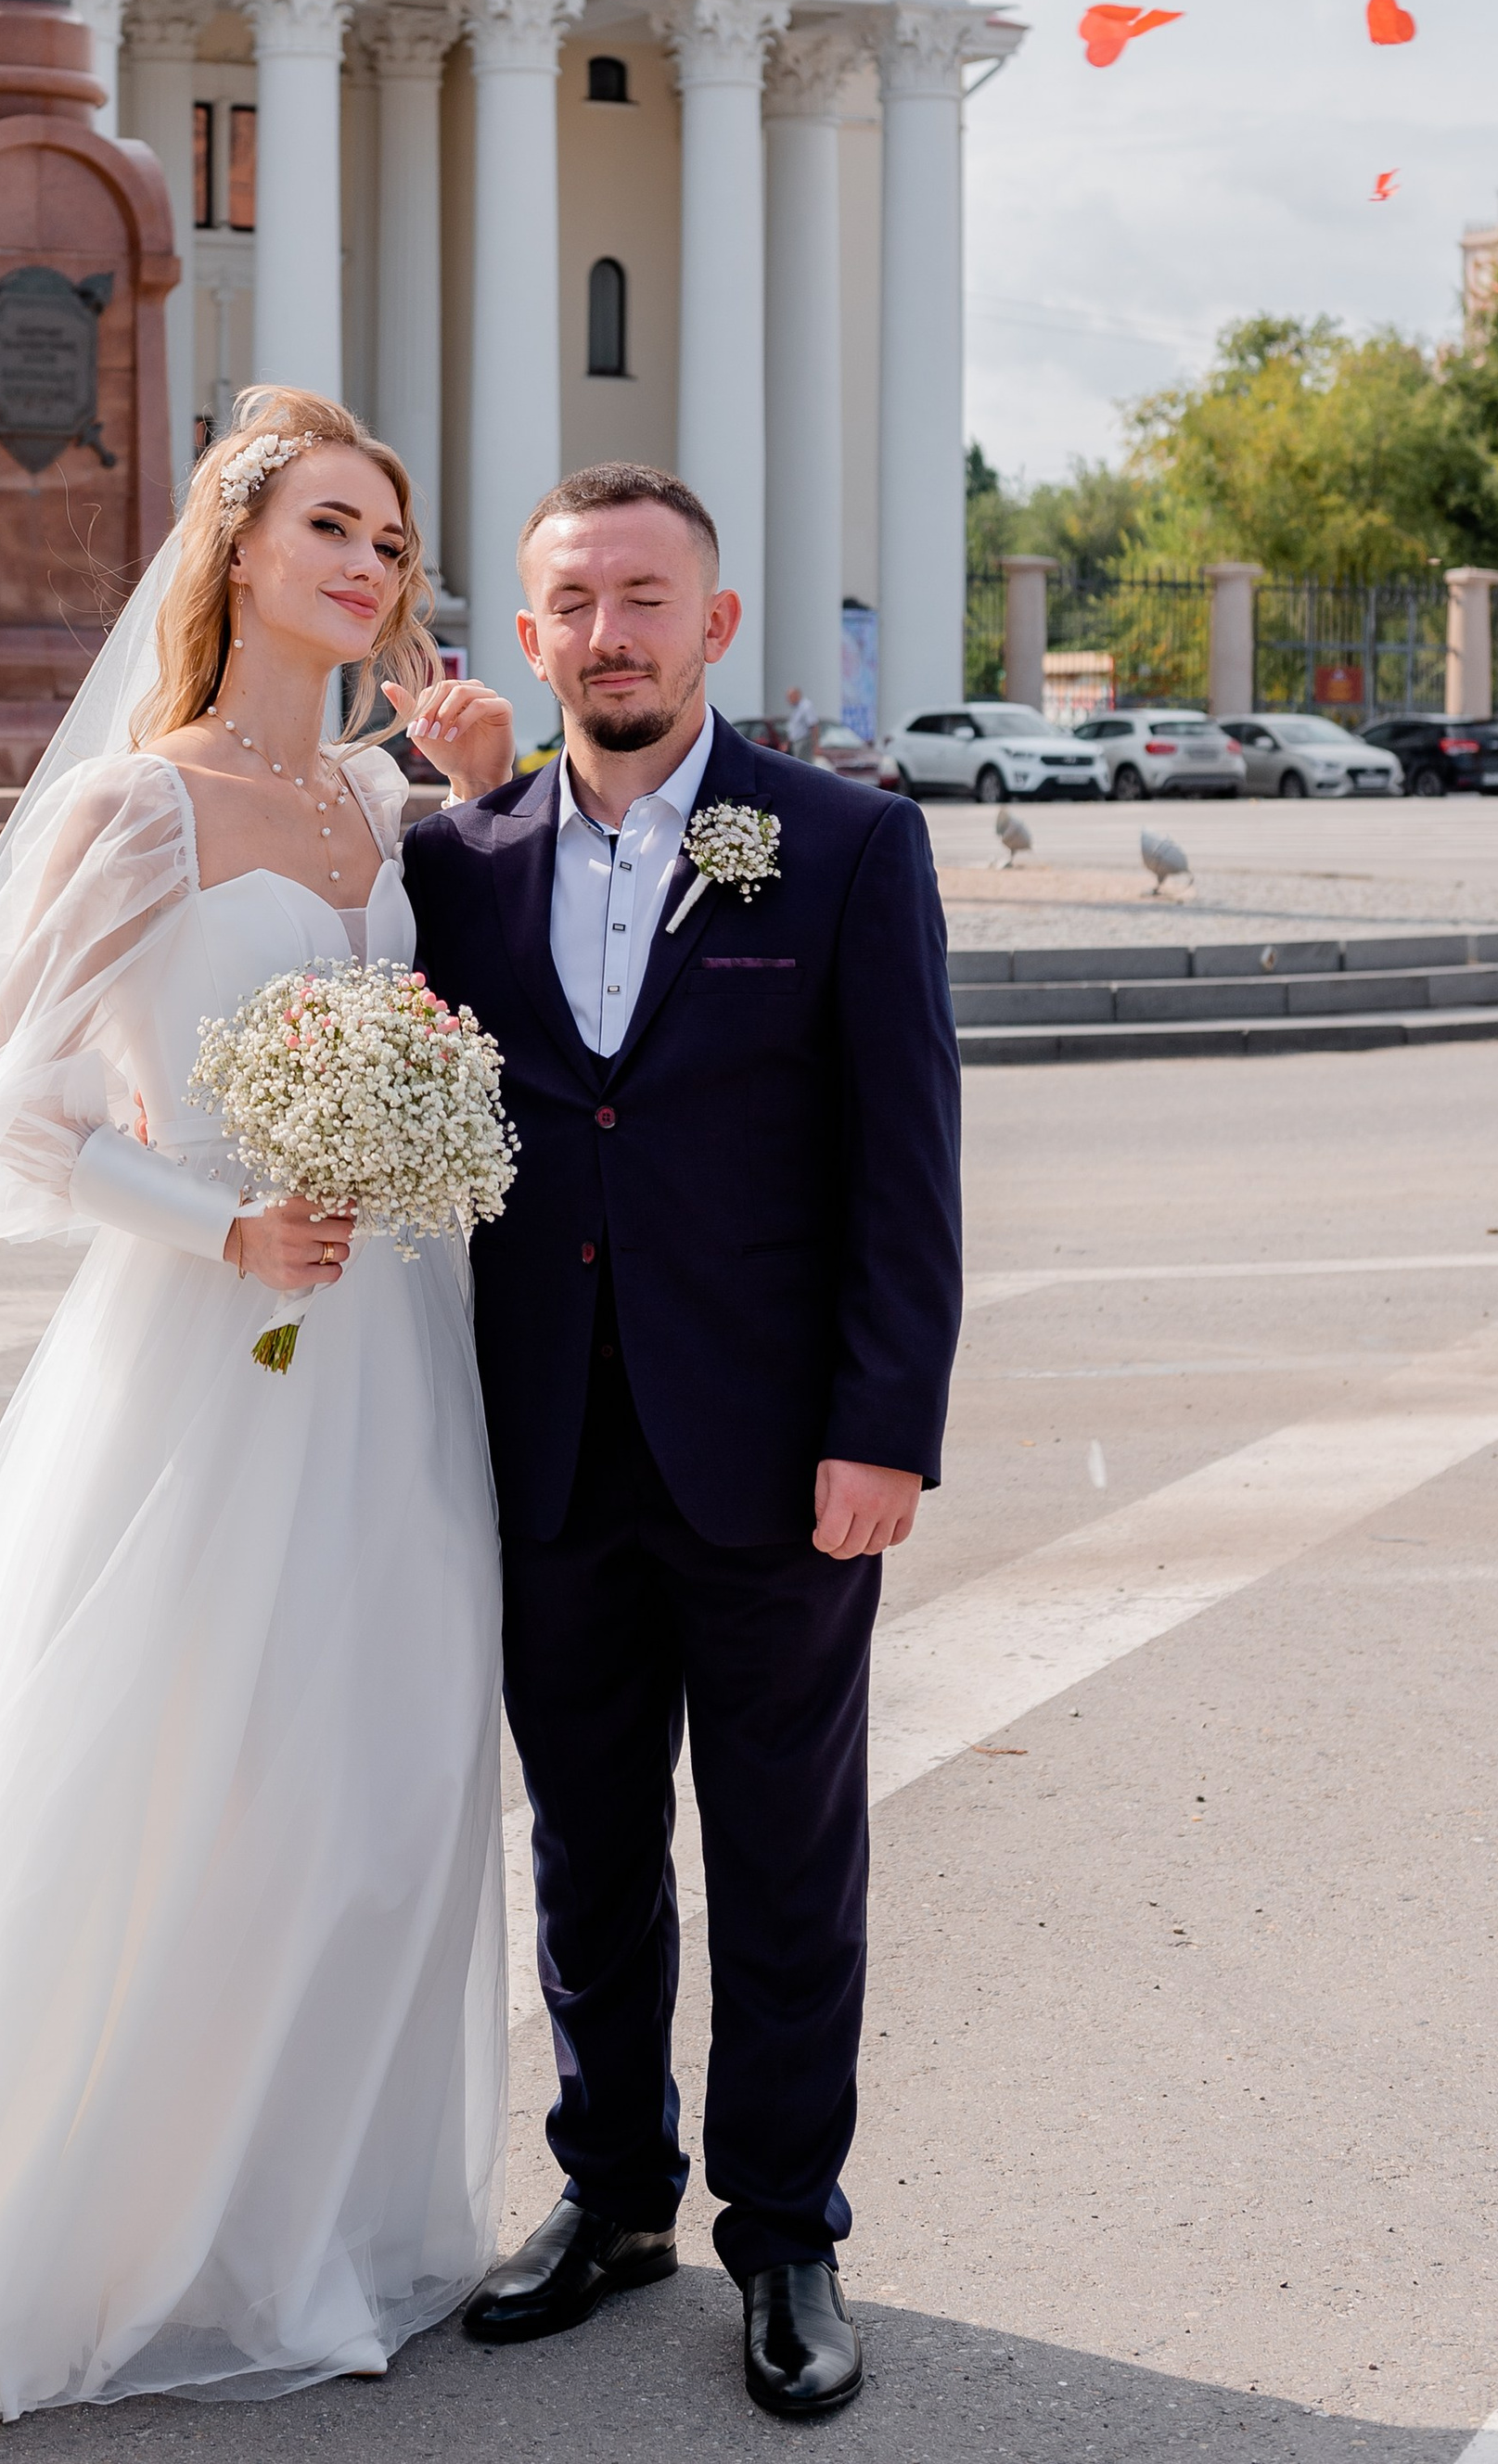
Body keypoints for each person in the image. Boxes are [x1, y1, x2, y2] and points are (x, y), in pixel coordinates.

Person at [0, 387, 516, 2454]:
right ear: (234, 548)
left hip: (390, 1351)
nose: (365, 565)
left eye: (390, 541)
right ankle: (84, 2239)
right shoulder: (127, 811)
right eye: (330, 524)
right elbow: (4, 1118)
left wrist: (477, 798)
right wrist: (220, 1216)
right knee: (163, 1776)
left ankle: (299, 2225)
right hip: (206, 1353)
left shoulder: (371, 804)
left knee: (371, 1785)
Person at [396, 463, 962, 2422]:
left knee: (787, 1856)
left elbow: (904, 1171)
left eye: (646, 597)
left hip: (776, 1458)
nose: (610, 631)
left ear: (715, 625)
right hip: (543, 1447)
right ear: (527, 631)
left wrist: (881, 1426)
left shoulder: (834, 844)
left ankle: (784, 2224)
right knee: (584, 1849)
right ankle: (610, 2191)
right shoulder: (456, 862)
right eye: (574, 601)